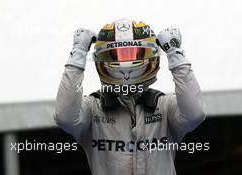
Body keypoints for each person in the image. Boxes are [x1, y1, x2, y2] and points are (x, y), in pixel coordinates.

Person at [54, 19, 206, 175]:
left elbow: (194, 115)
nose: (125, 62)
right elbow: (65, 118)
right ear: (102, 59)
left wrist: (175, 54)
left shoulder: (164, 105)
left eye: (133, 53)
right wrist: (78, 53)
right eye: (117, 55)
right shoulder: (94, 108)